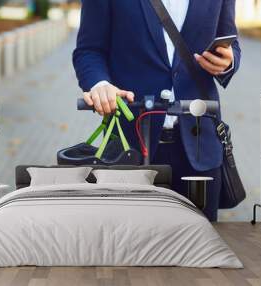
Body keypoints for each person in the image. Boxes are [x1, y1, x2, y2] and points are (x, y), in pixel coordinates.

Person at [72, 0, 241, 221]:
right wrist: (99, 84)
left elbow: (231, 44)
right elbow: (89, 50)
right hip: (129, 146)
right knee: (128, 247)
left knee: (201, 246)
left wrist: (228, 62)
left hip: (200, 146)